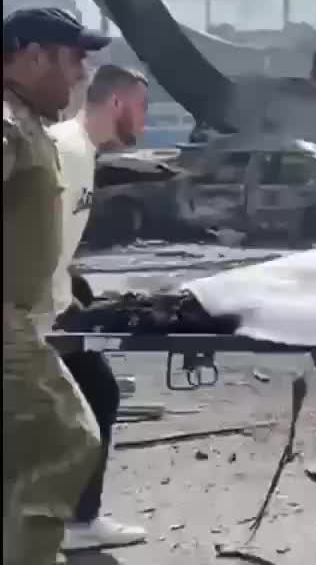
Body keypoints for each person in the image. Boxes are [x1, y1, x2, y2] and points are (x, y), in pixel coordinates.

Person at [3, 7, 106, 565]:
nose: (80, 75)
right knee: (65, 440)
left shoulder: (25, 122)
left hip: (20, 317)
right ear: (33, 55)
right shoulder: (6, 121)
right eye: (72, 59)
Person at [48, 64, 151, 552]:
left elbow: (55, 238)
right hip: (32, 315)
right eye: (142, 107)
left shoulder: (79, 150)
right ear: (117, 104)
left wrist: (75, 286)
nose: (145, 121)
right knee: (79, 404)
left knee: (97, 392)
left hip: (54, 306)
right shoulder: (65, 149)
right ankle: (65, 521)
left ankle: (77, 518)